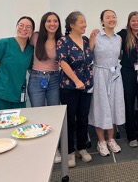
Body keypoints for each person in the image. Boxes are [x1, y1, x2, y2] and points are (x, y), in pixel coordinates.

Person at [56, 11, 94, 167]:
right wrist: (77, 81)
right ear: (72, 25)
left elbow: (88, 58)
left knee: (83, 118)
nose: (84, 24)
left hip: (86, 86)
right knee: (70, 119)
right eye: (81, 22)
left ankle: (82, 148)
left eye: (85, 21)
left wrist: (93, 39)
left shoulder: (85, 40)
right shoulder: (63, 41)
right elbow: (62, 62)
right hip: (69, 86)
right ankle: (70, 151)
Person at [0, 16, 35, 115]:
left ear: (32, 31)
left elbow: (31, 70)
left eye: (28, 27)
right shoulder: (2, 43)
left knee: (17, 126)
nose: (24, 29)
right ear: (16, 27)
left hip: (18, 95)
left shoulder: (31, 50)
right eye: (21, 25)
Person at [89, 9, 125, 156]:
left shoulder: (119, 38)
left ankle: (111, 139)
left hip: (115, 75)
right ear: (102, 21)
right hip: (100, 74)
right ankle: (101, 142)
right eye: (107, 17)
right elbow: (88, 56)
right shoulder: (95, 36)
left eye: (114, 16)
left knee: (114, 106)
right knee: (100, 106)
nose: (111, 19)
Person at [117, 11, 138, 148]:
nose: (136, 23)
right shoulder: (123, 35)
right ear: (129, 22)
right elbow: (110, 39)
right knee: (129, 103)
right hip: (128, 72)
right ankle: (131, 135)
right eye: (133, 21)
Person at [28, 12, 62, 107]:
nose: (52, 24)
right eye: (49, 21)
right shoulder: (35, 37)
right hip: (36, 77)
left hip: (55, 78)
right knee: (37, 110)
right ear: (44, 23)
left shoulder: (62, 40)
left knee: (54, 111)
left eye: (55, 21)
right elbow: (26, 53)